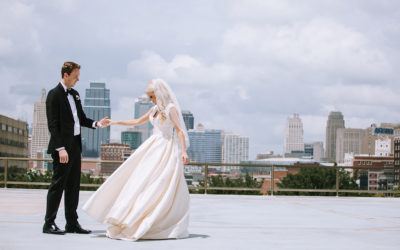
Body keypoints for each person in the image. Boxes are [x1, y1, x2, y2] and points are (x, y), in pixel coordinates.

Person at [82, 79, 190, 241]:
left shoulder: (171, 109)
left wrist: (183, 151)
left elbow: (180, 131)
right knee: (141, 180)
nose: (151, 100)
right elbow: (137, 121)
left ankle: (152, 220)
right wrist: (115, 122)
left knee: (160, 183)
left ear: (159, 94)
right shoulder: (154, 109)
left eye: (152, 96)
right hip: (153, 146)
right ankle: (131, 216)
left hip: (166, 147)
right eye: (150, 97)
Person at [43, 61, 108, 235]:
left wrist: (97, 123)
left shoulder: (76, 95)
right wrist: (60, 148)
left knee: (73, 187)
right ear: (66, 75)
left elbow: (81, 119)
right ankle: (48, 223)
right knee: (58, 185)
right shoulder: (54, 95)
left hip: (75, 147)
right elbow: (53, 125)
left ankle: (71, 223)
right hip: (62, 149)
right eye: (75, 76)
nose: (77, 80)